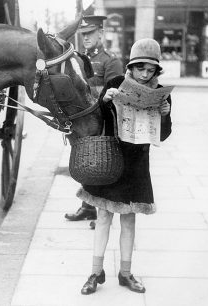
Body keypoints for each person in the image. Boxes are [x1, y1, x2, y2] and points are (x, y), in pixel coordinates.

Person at [79, 38, 172, 295]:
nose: (145, 74)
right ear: (131, 66)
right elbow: (97, 119)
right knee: (103, 217)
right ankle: (96, 272)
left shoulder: (161, 93)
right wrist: (105, 101)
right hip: (110, 160)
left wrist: (165, 114)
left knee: (129, 219)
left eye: (150, 69)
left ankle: (126, 273)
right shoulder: (114, 84)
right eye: (140, 68)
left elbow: (163, 135)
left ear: (156, 70)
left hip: (137, 165)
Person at [65, 15, 123, 223]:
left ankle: (102, 212)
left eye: (90, 33)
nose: (86, 38)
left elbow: (116, 93)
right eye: (83, 34)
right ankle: (87, 206)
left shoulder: (110, 61)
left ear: (101, 33)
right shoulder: (79, 59)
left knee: (102, 165)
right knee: (86, 163)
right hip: (84, 121)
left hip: (104, 121)